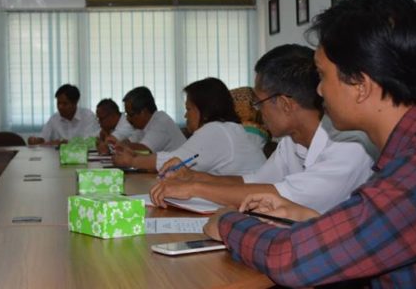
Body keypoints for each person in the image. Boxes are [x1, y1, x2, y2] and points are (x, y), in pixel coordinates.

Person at [204, 0, 416, 287]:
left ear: (360, 85)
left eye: (323, 76)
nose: (320, 91)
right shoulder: (412, 149)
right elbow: (370, 240)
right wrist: (307, 220)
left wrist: (226, 221)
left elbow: (289, 260)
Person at [150, 44, 376, 214]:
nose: (258, 112)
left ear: (286, 104)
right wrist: (193, 176)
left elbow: (276, 196)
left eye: (259, 102)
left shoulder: (350, 148)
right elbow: (253, 182)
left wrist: (196, 188)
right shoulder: (292, 140)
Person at [114, 78, 266, 176]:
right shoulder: (227, 128)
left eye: (189, 109)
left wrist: (131, 161)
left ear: (205, 110)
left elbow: (174, 161)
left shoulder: (216, 130)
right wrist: (134, 157)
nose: (186, 116)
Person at [113, 86, 186, 155]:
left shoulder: (160, 123)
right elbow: (129, 141)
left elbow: (144, 151)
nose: (128, 118)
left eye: (130, 114)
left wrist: (121, 146)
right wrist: (117, 145)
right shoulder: (144, 126)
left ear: (144, 112)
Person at [27, 84, 99, 145]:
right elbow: (44, 138)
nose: (60, 107)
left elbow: (91, 141)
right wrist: (36, 140)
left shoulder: (88, 116)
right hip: (58, 159)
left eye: (65, 104)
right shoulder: (54, 119)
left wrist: (66, 143)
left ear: (75, 103)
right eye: (58, 103)